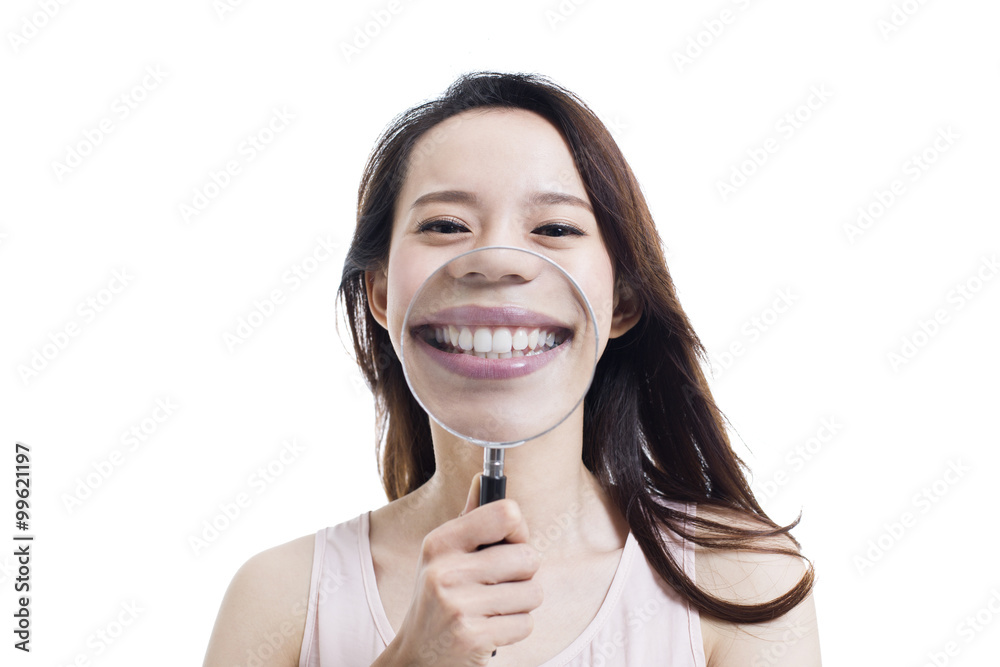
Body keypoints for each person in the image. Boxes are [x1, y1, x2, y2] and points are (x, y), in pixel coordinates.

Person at [203, 71, 821, 666]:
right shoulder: (279, 598)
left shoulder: (742, 583)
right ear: (384, 293)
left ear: (623, 301)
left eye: (554, 227)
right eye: (446, 225)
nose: (497, 263)